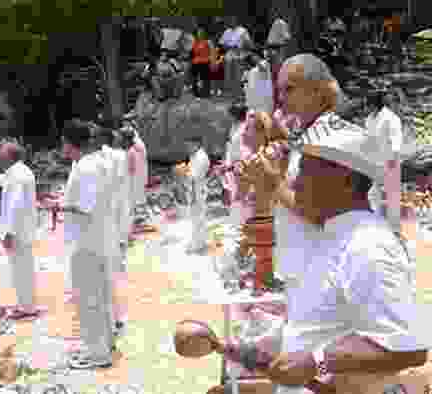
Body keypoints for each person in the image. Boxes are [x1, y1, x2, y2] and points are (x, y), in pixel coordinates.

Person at [175, 56, 429, 394]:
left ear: (340, 177)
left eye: (305, 170)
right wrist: (252, 349)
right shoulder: (329, 240)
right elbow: (318, 323)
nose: (294, 180)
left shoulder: (368, 246)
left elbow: (409, 348)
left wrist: (317, 363)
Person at [61, 119, 116, 369]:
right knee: (100, 295)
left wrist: (58, 205)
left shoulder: (86, 167)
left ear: (70, 143)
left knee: (89, 298)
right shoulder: (96, 162)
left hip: (86, 241)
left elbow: (84, 206)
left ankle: (97, 353)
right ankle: (102, 345)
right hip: (98, 238)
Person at [0, 141, 42, 319]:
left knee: (21, 271)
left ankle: (26, 307)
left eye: (1, 154)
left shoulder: (18, 175)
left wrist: (9, 233)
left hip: (18, 232)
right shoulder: (18, 172)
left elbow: (15, 205)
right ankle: (26, 304)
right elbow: (5, 182)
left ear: (8, 157)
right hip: (22, 230)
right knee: (23, 270)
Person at [99, 126, 129, 333]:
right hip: (115, 217)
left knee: (110, 276)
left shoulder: (109, 158)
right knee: (113, 274)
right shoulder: (116, 156)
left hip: (111, 220)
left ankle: (115, 318)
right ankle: (115, 317)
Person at [364, 89, 404, 232]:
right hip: (374, 161)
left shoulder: (391, 118)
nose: (365, 107)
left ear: (375, 105)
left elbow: (396, 139)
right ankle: (376, 224)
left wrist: (393, 157)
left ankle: (394, 228)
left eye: (367, 104)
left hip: (390, 160)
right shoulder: (369, 119)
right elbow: (367, 139)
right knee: (373, 193)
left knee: (392, 194)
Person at [184, 136, 212, 253]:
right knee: (195, 217)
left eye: (189, 145)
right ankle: (198, 241)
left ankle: (198, 243)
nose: (188, 148)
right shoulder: (194, 155)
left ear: (196, 144)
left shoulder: (201, 157)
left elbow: (194, 177)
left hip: (197, 190)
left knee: (198, 217)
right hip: (193, 189)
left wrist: (182, 172)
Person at [219, 16, 254, 97]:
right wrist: (228, 47)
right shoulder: (227, 31)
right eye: (229, 20)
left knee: (238, 76)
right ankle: (230, 93)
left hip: (239, 56)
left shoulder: (243, 31)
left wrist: (241, 46)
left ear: (236, 21)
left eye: (232, 20)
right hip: (229, 56)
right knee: (228, 76)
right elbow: (222, 44)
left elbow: (249, 44)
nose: (231, 22)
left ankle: (238, 93)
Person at [190, 27, 212, 98]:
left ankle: (205, 92)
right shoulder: (195, 42)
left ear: (204, 33)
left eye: (202, 32)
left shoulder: (208, 42)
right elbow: (192, 53)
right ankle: (196, 92)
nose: (200, 34)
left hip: (205, 62)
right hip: (196, 62)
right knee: (194, 77)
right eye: (199, 32)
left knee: (205, 78)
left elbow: (212, 52)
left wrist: (211, 60)